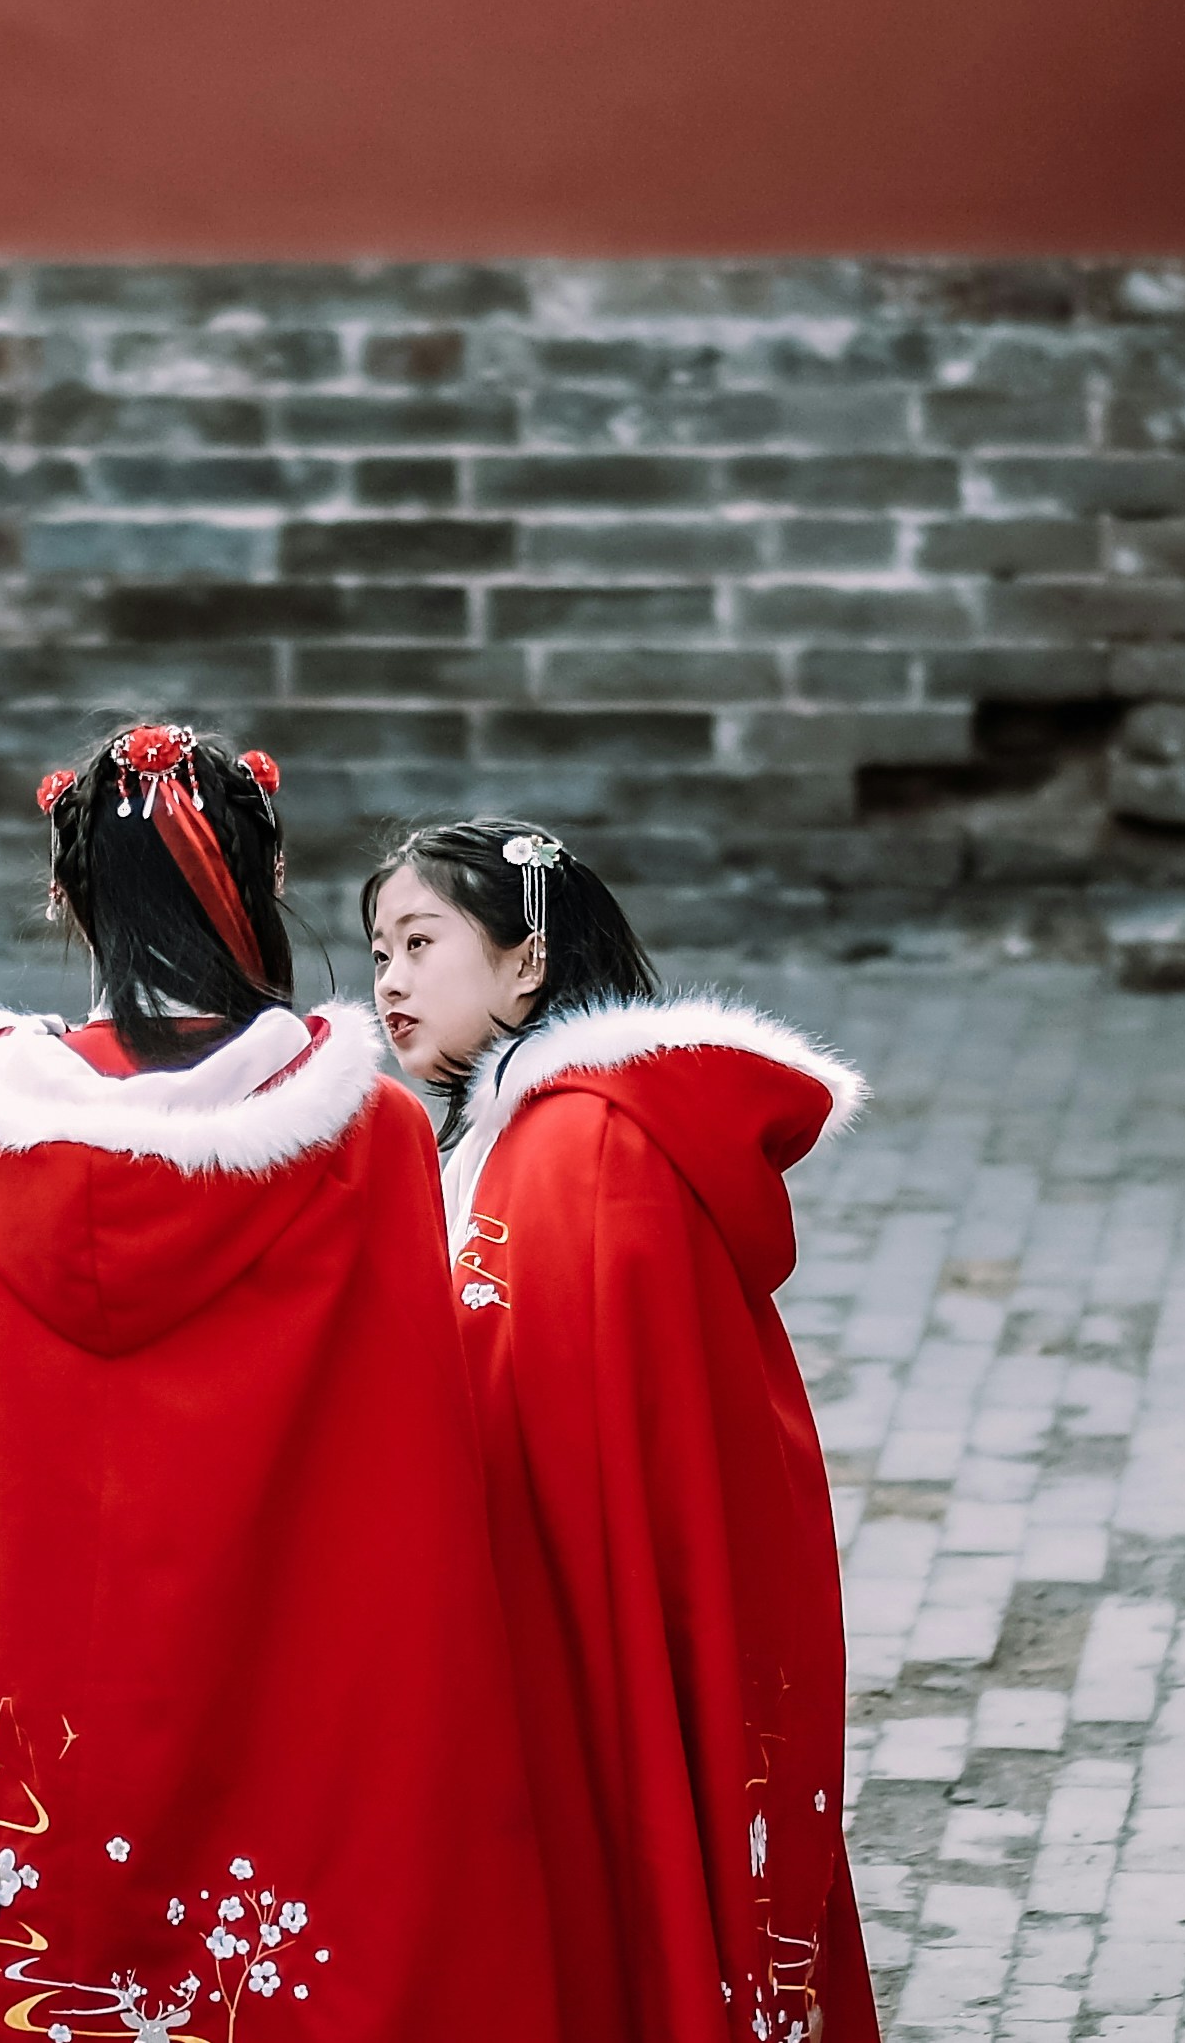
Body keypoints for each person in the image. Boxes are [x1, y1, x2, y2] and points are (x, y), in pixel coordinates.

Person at [0, 724, 556, 2043]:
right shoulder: (365, 1136)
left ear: (69, 897)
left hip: (31, 1683)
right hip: (288, 1662)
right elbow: (403, 1470)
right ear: (263, 889)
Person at [367, 818, 882, 2043]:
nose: (388, 978)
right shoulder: (516, 1132)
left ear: (526, 963)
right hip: (553, 1588)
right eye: (378, 948)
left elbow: (576, 1406)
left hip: (585, 1602)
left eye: (420, 941)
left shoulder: (587, 1146)